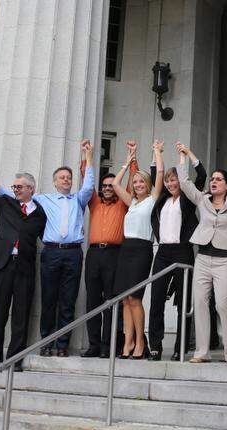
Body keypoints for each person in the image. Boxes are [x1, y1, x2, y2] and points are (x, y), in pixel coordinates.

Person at [0, 140, 95, 356]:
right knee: (49, 299)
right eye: (62, 177)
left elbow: (89, 186)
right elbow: (14, 195)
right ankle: (46, 343)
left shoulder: (78, 200)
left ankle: (62, 345)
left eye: (69, 177)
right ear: (55, 182)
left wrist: (88, 158)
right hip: (51, 253)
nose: (66, 180)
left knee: (68, 300)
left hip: (73, 253)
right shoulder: (43, 199)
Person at [0, 151, 48, 372]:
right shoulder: (5, 204)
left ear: (30, 189)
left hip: (25, 268)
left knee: (21, 314)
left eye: (19, 187)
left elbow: (47, 237)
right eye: (14, 187)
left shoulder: (40, 214)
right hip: (2, 264)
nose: (15, 190)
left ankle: (15, 360)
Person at [180, 151, 227, 364]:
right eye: (212, 179)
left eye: (219, 179)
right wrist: (185, 155)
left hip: (226, 260)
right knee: (200, 303)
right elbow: (184, 182)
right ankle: (202, 352)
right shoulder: (203, 200)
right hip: (203, 257)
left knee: (222, 305)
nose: (214, 182)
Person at [79, 140, 139, 358]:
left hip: (115, 254)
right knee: (93, 300)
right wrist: (87, 156)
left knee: (112, 300)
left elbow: (132, 183)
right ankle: (94, 344)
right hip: (94, 254)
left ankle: (107, 345)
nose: (106, 189)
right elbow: (86, 179)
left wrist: (132, 158)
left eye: (111, 186)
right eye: (104, 186)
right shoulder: (94, 203)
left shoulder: (122, 203)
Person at [146, 141, 205, 360]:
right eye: (169, 181)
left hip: (183, 251)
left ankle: (181, 346)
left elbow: (201, 176)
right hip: (163, 252)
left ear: (181, 181)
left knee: (183, 301)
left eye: (175, 180)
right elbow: (156, 175)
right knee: (156, 299)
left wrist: (187, 154)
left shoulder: (188, 199)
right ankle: (155, 345)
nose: (171, 184)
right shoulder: (162, 199)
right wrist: (156, 152)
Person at [110, 140, 164, 359]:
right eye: (135, 182)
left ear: (148, 184)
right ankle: (128, 342)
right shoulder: (131, 202)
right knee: (125, 299)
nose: (138, 184)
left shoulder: (152, 199)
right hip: (126, 249)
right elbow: (115, 184)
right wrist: (127, 161)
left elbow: (160, 173)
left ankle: (141, 342)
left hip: (142, 250)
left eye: (142, 181)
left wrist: (157, 152)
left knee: (135, 298)